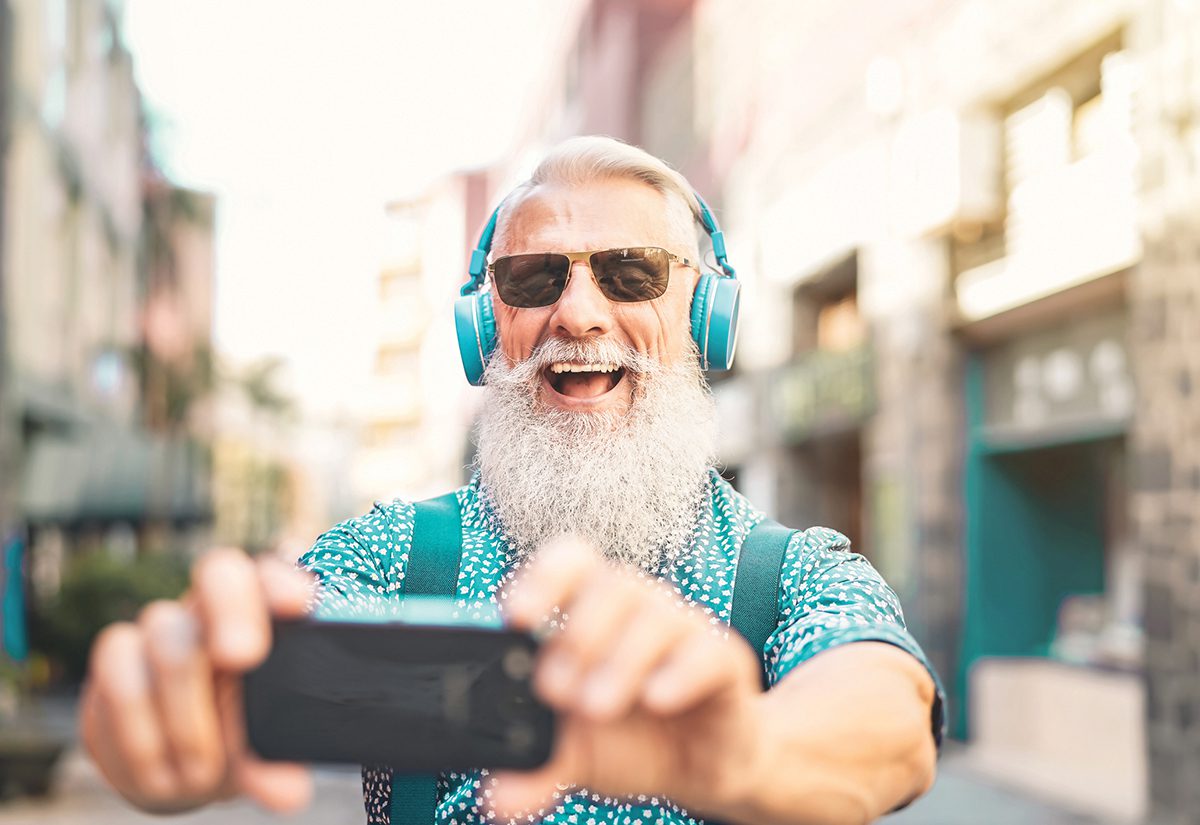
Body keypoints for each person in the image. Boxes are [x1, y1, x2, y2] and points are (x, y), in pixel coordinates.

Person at [80, 136, 943, 824]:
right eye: (533, 279)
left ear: (704, 315)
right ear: (484, 330)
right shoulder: (397, 554)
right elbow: (234, 673)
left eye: (630, 271)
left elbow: (891, 722)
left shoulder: (792, 572)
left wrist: (745, 751)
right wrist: (163, 720)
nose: (576, 312)